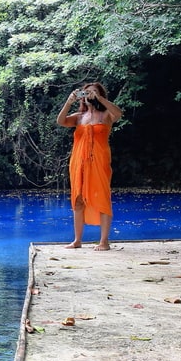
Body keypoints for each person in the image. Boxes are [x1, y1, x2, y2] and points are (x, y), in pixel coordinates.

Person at [56, 82, 123, 250]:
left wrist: (100, 99)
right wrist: (69, 102)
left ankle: (104, 242)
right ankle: (77, 240)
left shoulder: (106, 115)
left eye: (93, 92)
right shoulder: (79, 117)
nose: (89, 95)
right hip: (79, 162)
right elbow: (61, 121)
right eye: (86, 93)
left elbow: (119, 113)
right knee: (78, 199)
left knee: (102, 196)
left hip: (99, 162)